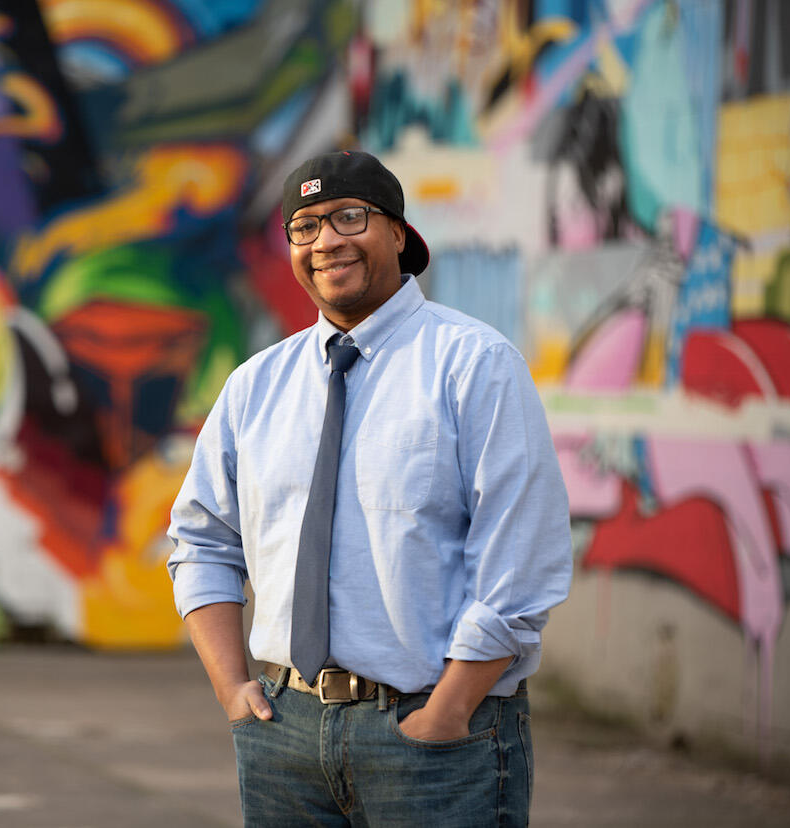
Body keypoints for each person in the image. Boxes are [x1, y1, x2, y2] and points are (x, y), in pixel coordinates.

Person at [167, 149, 572, 826]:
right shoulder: (255, 386)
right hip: (284, 738)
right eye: (306, 225)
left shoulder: (474, 365)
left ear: (398, 235)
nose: (326, 240)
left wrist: (447, 711)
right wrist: (233, 687)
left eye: (349, 217)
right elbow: (202, 539)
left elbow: (521, 561)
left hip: (434, 737)